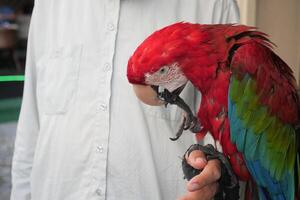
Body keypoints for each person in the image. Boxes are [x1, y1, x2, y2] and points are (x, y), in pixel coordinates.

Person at [11, 0, 240, 199]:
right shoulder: (49, 6)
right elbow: (30, 135)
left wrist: (220, 179)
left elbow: (233, 148)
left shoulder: (214, 6)